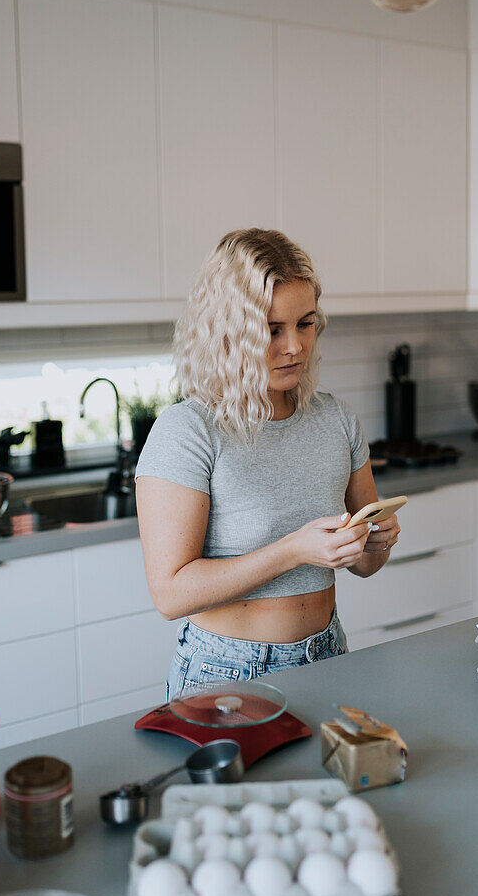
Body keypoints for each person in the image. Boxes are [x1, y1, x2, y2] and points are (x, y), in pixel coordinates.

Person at [135, 228, 400, 700]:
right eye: (272, 329)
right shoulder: (188, 431)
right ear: (228, 331)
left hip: (328, 654)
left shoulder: (336, 419)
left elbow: (363, 566)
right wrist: (293, 550)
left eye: (306, 323)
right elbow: (170, 594)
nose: (295, 345)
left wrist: (374, 541)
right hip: (228, 671)